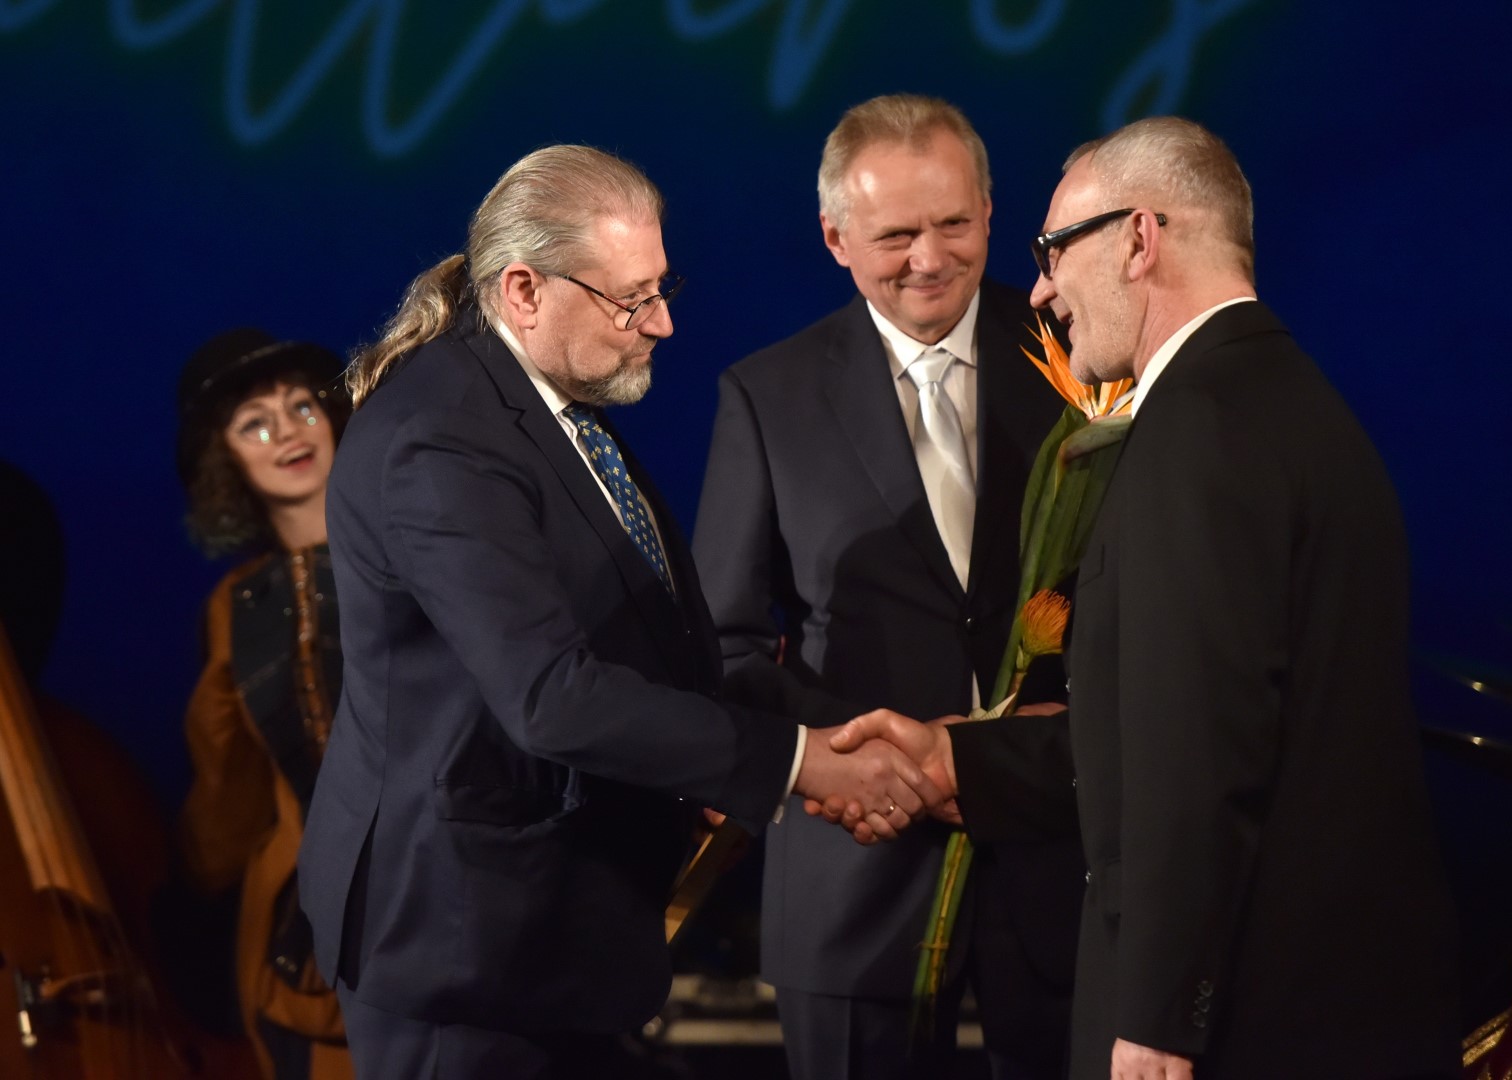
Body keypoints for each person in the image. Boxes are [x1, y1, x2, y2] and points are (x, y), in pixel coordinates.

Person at [830, 116, 1463, 1079]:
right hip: (1320, 1000)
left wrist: (1162, 1015)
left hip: (1239, 1020)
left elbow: (1199, 750)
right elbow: (1189, 726)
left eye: (1054, 250)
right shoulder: (1283, 399)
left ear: (1138, 238)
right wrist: (958, 758)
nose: (1041, 291)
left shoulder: (1196, 429)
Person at [295, 143, 941, 1079]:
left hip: (554, 944)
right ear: (523, 290)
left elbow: (648, 644)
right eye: (632, 300)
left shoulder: (546, 405)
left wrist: (782, 750)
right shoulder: (439, 441)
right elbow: (551, 696)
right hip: (458, 952)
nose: (664, 323)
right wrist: (799, 764)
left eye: (661, 288)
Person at [692, 93, 1077, 1080]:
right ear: (835, 238)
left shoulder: (1082, 361)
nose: (929, 259)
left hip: (1057, 867)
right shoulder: (766, 395)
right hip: (854, 866)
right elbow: (725, 644)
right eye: (896, 235)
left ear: (991, 211)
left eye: (953, 224)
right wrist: (861, 763)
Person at [174, 328, 354, 1079]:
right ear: (226, 459)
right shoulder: (235, 604)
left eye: (302, 407)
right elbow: (229, 798)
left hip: (449, 899)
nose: (287, 432)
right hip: (296, 941)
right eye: (255, 423)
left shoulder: (422, 552)